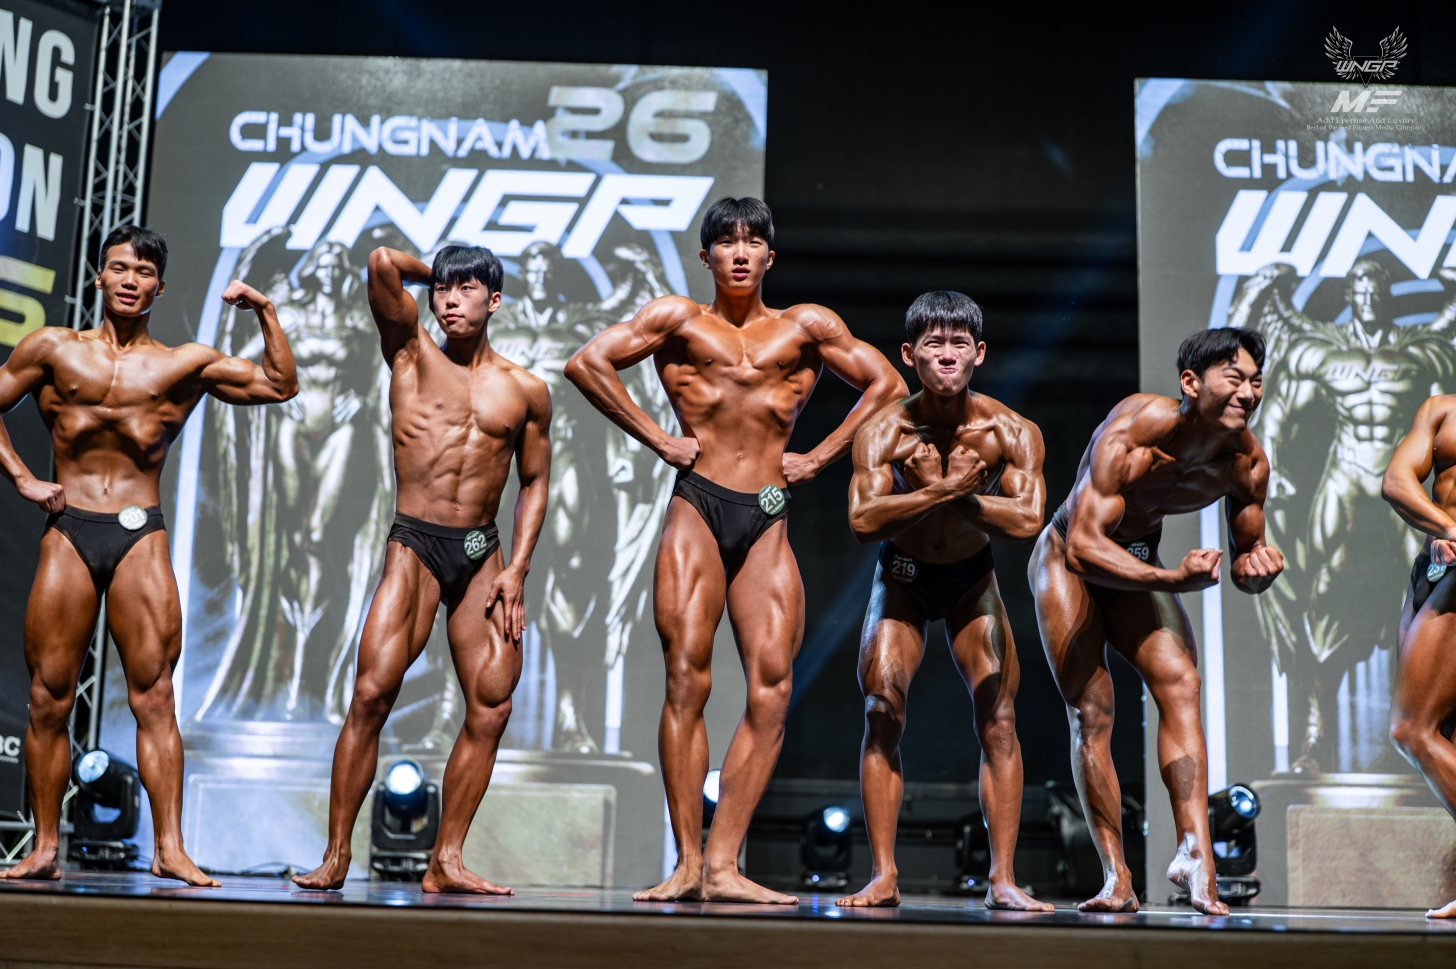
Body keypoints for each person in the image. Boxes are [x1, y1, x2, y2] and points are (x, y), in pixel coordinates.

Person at [565, 197, 906, 902]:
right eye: (727, 242)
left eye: (753, 242)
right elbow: (587, 363)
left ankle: (723, 863)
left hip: (768, 516)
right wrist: (659, 440)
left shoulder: (806, 326)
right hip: (698, 504)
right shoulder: (677, 319)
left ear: (770, 257)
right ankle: (687, 861)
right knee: (686, 682)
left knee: (772, 690)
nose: (740, 253)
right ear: (707, 256)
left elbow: (889, 384)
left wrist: (820, 457)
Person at [0, 225, 298, 884]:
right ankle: (45, 847)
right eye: (119, 268)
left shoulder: (183, 364)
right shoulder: (53, 349)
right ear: (99, 277)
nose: (130, 280)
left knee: (155, 697)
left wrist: (265, 310)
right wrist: (22, 477)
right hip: (70, 528)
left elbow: (281, 385)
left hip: (140, 533)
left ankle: (170, 847)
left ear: (159, 287)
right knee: (48, 698)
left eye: (143, 272)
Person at [292, 244, 550, 893]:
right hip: (415, 546)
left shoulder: (526, 389)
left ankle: (447, 860)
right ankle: (336, 855)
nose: (450, 300)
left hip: (482, 553)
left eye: (467, 289)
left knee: (491, 705)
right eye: (442, 289)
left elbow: (535, 481)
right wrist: (442, 269)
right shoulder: (409, 352)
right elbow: (382, 261)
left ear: (496, 301)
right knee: (371, 694)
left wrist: (517, 568)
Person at [1029, 327, 1283, 915]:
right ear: (1191, 383)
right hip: (1067, 559)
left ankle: (1196, 854)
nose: (1248, 393)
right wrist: (1170, 580)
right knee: (1093, 710)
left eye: (1256, 381)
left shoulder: (1246, 462)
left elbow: (1246, 560)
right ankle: (1116, 875)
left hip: (1139, 560)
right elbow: (1084, 547)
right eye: (1235, 378)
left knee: (1182, 684)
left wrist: (1257, 570)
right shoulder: (1135, 429)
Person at [838, 291, 1050, 910]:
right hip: (902, 578)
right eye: (934, 344)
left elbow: (1028, 521)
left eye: (960, 344)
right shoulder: (884, 430)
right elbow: (862, 521)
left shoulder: (1011, 430)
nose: (948, 355)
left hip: (970, 580)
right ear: (910, 355)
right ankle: (883, 875)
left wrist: (949, 491)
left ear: (979, 353)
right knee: (882, 710)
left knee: (999, 719)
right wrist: (942, 491)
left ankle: (1003, 879)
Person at [1380, 394, 1456, 919]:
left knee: (1412, 728)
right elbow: (1396, 481)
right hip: (1433, 568)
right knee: (1443, 732)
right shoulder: (1441, 409)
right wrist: (1445, 526)